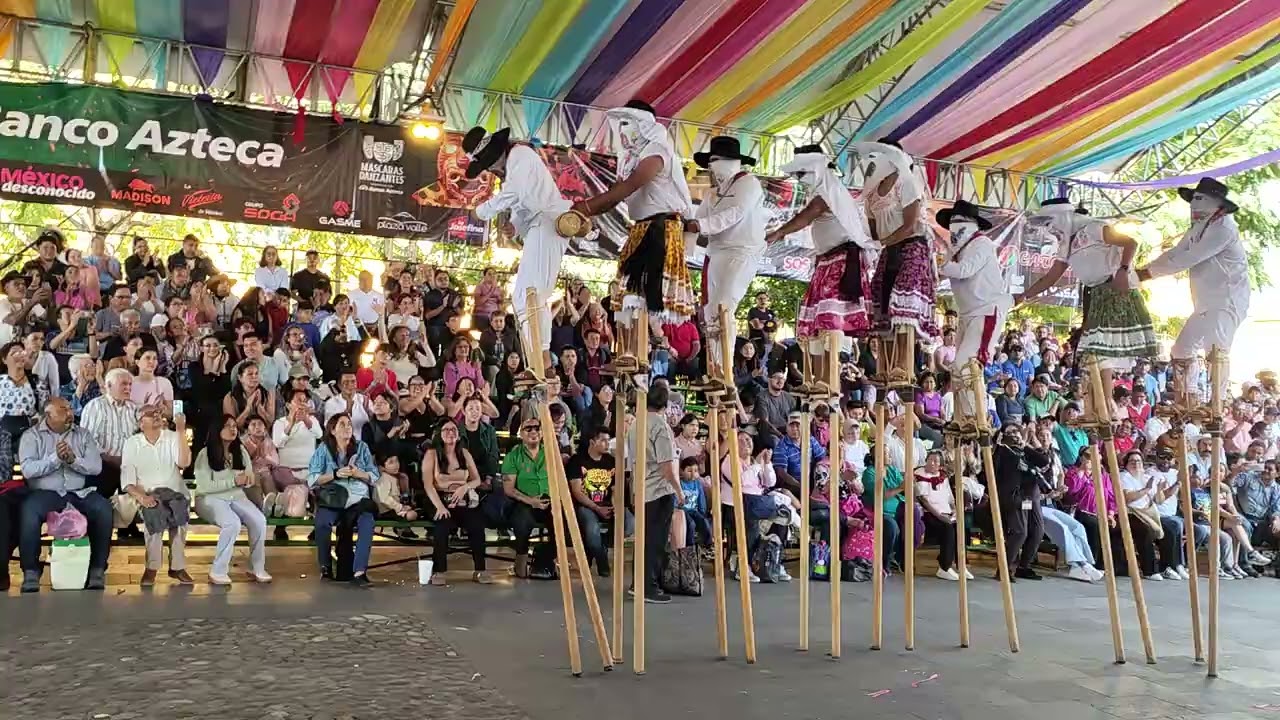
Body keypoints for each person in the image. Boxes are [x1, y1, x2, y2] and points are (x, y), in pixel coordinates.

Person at [571, 101, 696, 371]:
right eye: (621, 124)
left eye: (628, 123)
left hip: (661, 229)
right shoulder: (632, 157)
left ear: (644, 125)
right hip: (642, 227)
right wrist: (587, 210)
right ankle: (626, 354)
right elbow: (617, 193)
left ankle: (638, 355)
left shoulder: (657, 151)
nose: (623, 130)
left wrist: (587, 208)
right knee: (626, 294)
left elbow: (627, 188)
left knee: (639, 295)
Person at [1018, 198, 1157, 410]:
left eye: (1051, 223)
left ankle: (1106, 402)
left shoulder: (1094, 227)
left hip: (1112, 289)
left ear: (1063, 217)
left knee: (1102, 351)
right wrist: (1024, 295)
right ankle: (1097, 403)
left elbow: (1130, 243)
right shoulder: (1066, 244)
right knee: (1095, 353)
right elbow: (1051, 277)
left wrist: (1123, 269)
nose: (1050, 229)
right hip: (1094, 294)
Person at [463, 127, 570, 375]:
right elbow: (523, 205)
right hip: (539, 225)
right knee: (526, 296)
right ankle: (539, 359)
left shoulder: (520, 154)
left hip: (548, 222)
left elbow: (515, 194)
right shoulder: (514, 166)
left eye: (489, 165)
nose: (491, 171)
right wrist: (515, 225)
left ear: (496, 155)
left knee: (530, 294)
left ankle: (542, 361)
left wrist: (483, 211)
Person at [772, 144, 876, 391]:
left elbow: (808, 215)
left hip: (840, 260)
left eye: (802, 174)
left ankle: (827, 379)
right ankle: (817, 379)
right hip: (827, 259)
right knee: (819, 322)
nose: (799, 180)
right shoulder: (824, 190)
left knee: (830, 321)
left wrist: (779, 232)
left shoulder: (829, 192)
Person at [1137, 178, 1249, 406]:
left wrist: (1145, 275)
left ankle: (1217, 402)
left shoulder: (1225, 228)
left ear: (1217, 204)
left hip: (1226, 301)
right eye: (1192, 200)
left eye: (1200, 199)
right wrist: (1141, 271)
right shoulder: (1199, 228)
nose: (1193, 205)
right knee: (1181, 349)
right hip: (1204, 303)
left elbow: (1187, 259)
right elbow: (1175, 254)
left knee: (1216, 351)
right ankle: (1187, 397)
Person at [682, 136, 766, 386]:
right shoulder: (712, 193)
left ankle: (725, 371)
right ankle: (714, 367)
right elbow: (695, 221)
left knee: (725, 307)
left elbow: (734, 214)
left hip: (741, 252)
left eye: (716, 161)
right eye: (710, 162)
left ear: (732, 162)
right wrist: (685, 235)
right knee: (710, 314)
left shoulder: (749, 184)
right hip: (715, 253)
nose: (712, 167)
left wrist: (700, 225)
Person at [853, 140, 938, 380]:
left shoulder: (906, 183)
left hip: (912, 248)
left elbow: (910, 224)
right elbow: (873, 231)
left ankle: (903, 365)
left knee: (903, 304)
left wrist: (883, 241)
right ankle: (884, 367)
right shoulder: (870, 194)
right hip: (889, 249)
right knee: (881, 301)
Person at [15, 397, 107, 591]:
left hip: (78, 492)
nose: (70, 413)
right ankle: (30, 571)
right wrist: (55, 459)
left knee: (103, 509)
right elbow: (28, 470)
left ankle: (97, 570)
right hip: (45, 492)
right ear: (48, 415)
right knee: (29, 510)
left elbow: (96, 467)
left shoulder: (83, 434)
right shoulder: (32, 436)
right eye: (63, 410)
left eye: (70, 409)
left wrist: (73, 460)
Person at [193, 415, 271, 585]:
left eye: (235, 426)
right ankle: (218, 570)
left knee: (259, 520)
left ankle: (256, 567)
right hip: (209, 498)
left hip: (236, 496)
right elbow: (205, 486)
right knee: (232, 523)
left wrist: (249, 479)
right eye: (227, 426)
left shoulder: (240, 451)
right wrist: (234, 481)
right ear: (217, 430)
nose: (233, 429)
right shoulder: (205, 454)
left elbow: (248, 476)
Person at [120, 404, 192, 586]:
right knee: (154, 513)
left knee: (180, 512)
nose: (157, 416)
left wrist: (181, 430)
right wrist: (142, 497)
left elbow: (184, 463)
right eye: (150, 414)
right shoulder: (132, 443)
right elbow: (127, 481)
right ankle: (152, 567)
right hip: (147, 492)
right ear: (140, 422)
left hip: (174, 491)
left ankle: (177, 566)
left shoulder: (173, 437)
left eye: (158, 413)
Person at [308, 413, 379, 586]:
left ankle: (359, 572)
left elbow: (374, 475)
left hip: (358, 499)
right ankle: (325, 567)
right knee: (322, 522)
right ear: (332, 430)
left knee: (367, 521)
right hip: (334, 497)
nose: (348, 427)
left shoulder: (361, 447)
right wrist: (334, 474)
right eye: (342, 424)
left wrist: (358, 473)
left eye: (349, 424)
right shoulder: (324, 449)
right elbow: (312, 479)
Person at [423, 418, 492, 585]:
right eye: (446, 430)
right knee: (442, 524)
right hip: (438, 498)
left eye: (453, 429)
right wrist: (440, 506)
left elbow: (476, 480)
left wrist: (464, 488)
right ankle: (439, 570)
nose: (450, 433)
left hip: (462, 498)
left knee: (476, 523)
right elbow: (428, 484)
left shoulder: (464, 453)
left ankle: (480, 570)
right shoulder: (432, 453)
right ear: (440, 434)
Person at [992, 423, 1050, 581]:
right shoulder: (1002, 451)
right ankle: (1004, 568)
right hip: (1014, 496)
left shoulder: (1024, 449)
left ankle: (1024, 566)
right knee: (1020, 532)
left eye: (1016, 431)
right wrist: (998, 445)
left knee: (1037, 531)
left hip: (1031, 494)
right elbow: (994, 472)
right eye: (1009, 432)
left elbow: (1044, 461)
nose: (1014, 435)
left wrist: (1025, 446)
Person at [503, 412, 555, 579]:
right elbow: (508, 489)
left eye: (537, 428)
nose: (533, 432)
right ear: (521, 433)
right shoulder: (513, 456)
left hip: (550, 500)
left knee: (565, 522)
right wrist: (531, 501)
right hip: (524, 500)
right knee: (521, 522)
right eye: (528, 428)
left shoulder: (551, 453)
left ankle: (543, 559)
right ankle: (521, 560)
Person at [914, 450, 964, 580]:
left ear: (940, 465)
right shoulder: (919, 475)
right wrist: (939, 515)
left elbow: (950, 497)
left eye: (935, 461)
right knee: (947, 528)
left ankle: (960, 565)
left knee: (960, 527)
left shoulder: (943, 477)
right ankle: (944, 567)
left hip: (946, 511)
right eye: (930, 460)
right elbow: (923, 500)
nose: (932, 463)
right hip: (929, 513)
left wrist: (954, 510)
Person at [1116, 451, 1163, 580]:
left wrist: (1160, 488)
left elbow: (1159, 500)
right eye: (1132, 461)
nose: (1136, 464)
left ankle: (1168, 566)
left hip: (1147, 513)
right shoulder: (1123, 476)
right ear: (1126, 464)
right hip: (1129, 512)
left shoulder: (1146, 477)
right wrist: (1146, 490)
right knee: (1144, 530)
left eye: (1138, 461)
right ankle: (1150, 570)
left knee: (1172, 527)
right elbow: (1127, 498)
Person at [471, 267, 505, 332]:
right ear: (484, 276)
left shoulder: (499, 288)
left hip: (495, 315)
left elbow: (500, 304)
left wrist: (501, 297)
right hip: (483, 314)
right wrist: (492, 290)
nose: (492, 276)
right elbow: (478, 302)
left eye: (494, 274)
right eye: (489, 274)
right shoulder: (479, 287)